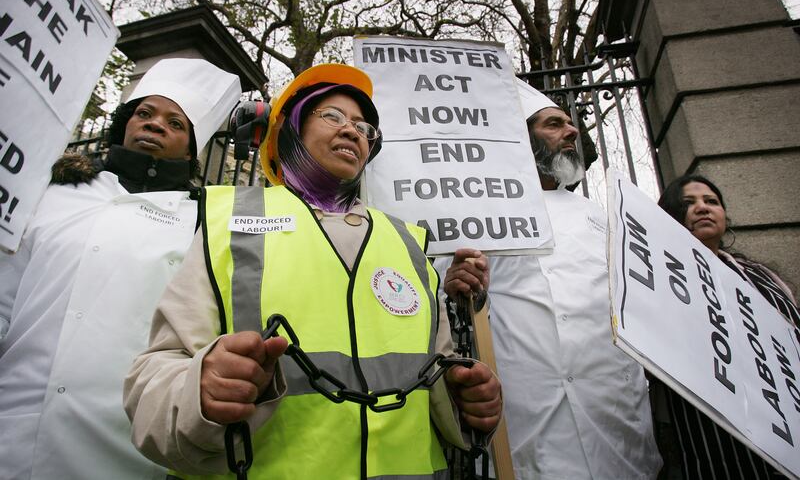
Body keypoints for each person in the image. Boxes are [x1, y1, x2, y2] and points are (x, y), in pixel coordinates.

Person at [123, 63, 502, 479]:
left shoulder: (409, 243)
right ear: (292, 130)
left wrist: (468, 400)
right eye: (332, 117)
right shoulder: (227, 221)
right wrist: (197, 391)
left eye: (363, 128)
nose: (351, 131)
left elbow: (440, 376)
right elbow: (156, 378)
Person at [0, 58, 242, 480]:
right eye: (144, 113)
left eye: (175, 122)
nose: (154, 124)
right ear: (125, 123)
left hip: (123, 444)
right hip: (14, 426)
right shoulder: (51, 191)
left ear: (191, 148)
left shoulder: (204, 223)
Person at [439, 79, 662, 479]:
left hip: (613, 408)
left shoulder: (601, 216)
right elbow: (441, 294)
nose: (572, 130)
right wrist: (454, 282)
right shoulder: (472, 212)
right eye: (553, 124)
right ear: (517, 140)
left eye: (569, 123)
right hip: (527, 410)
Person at [654, 174, 799, 479]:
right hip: (710, 432)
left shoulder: (762, 277)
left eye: (711, 202)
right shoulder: (659, 276)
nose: (702, 208)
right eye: (688, 203)